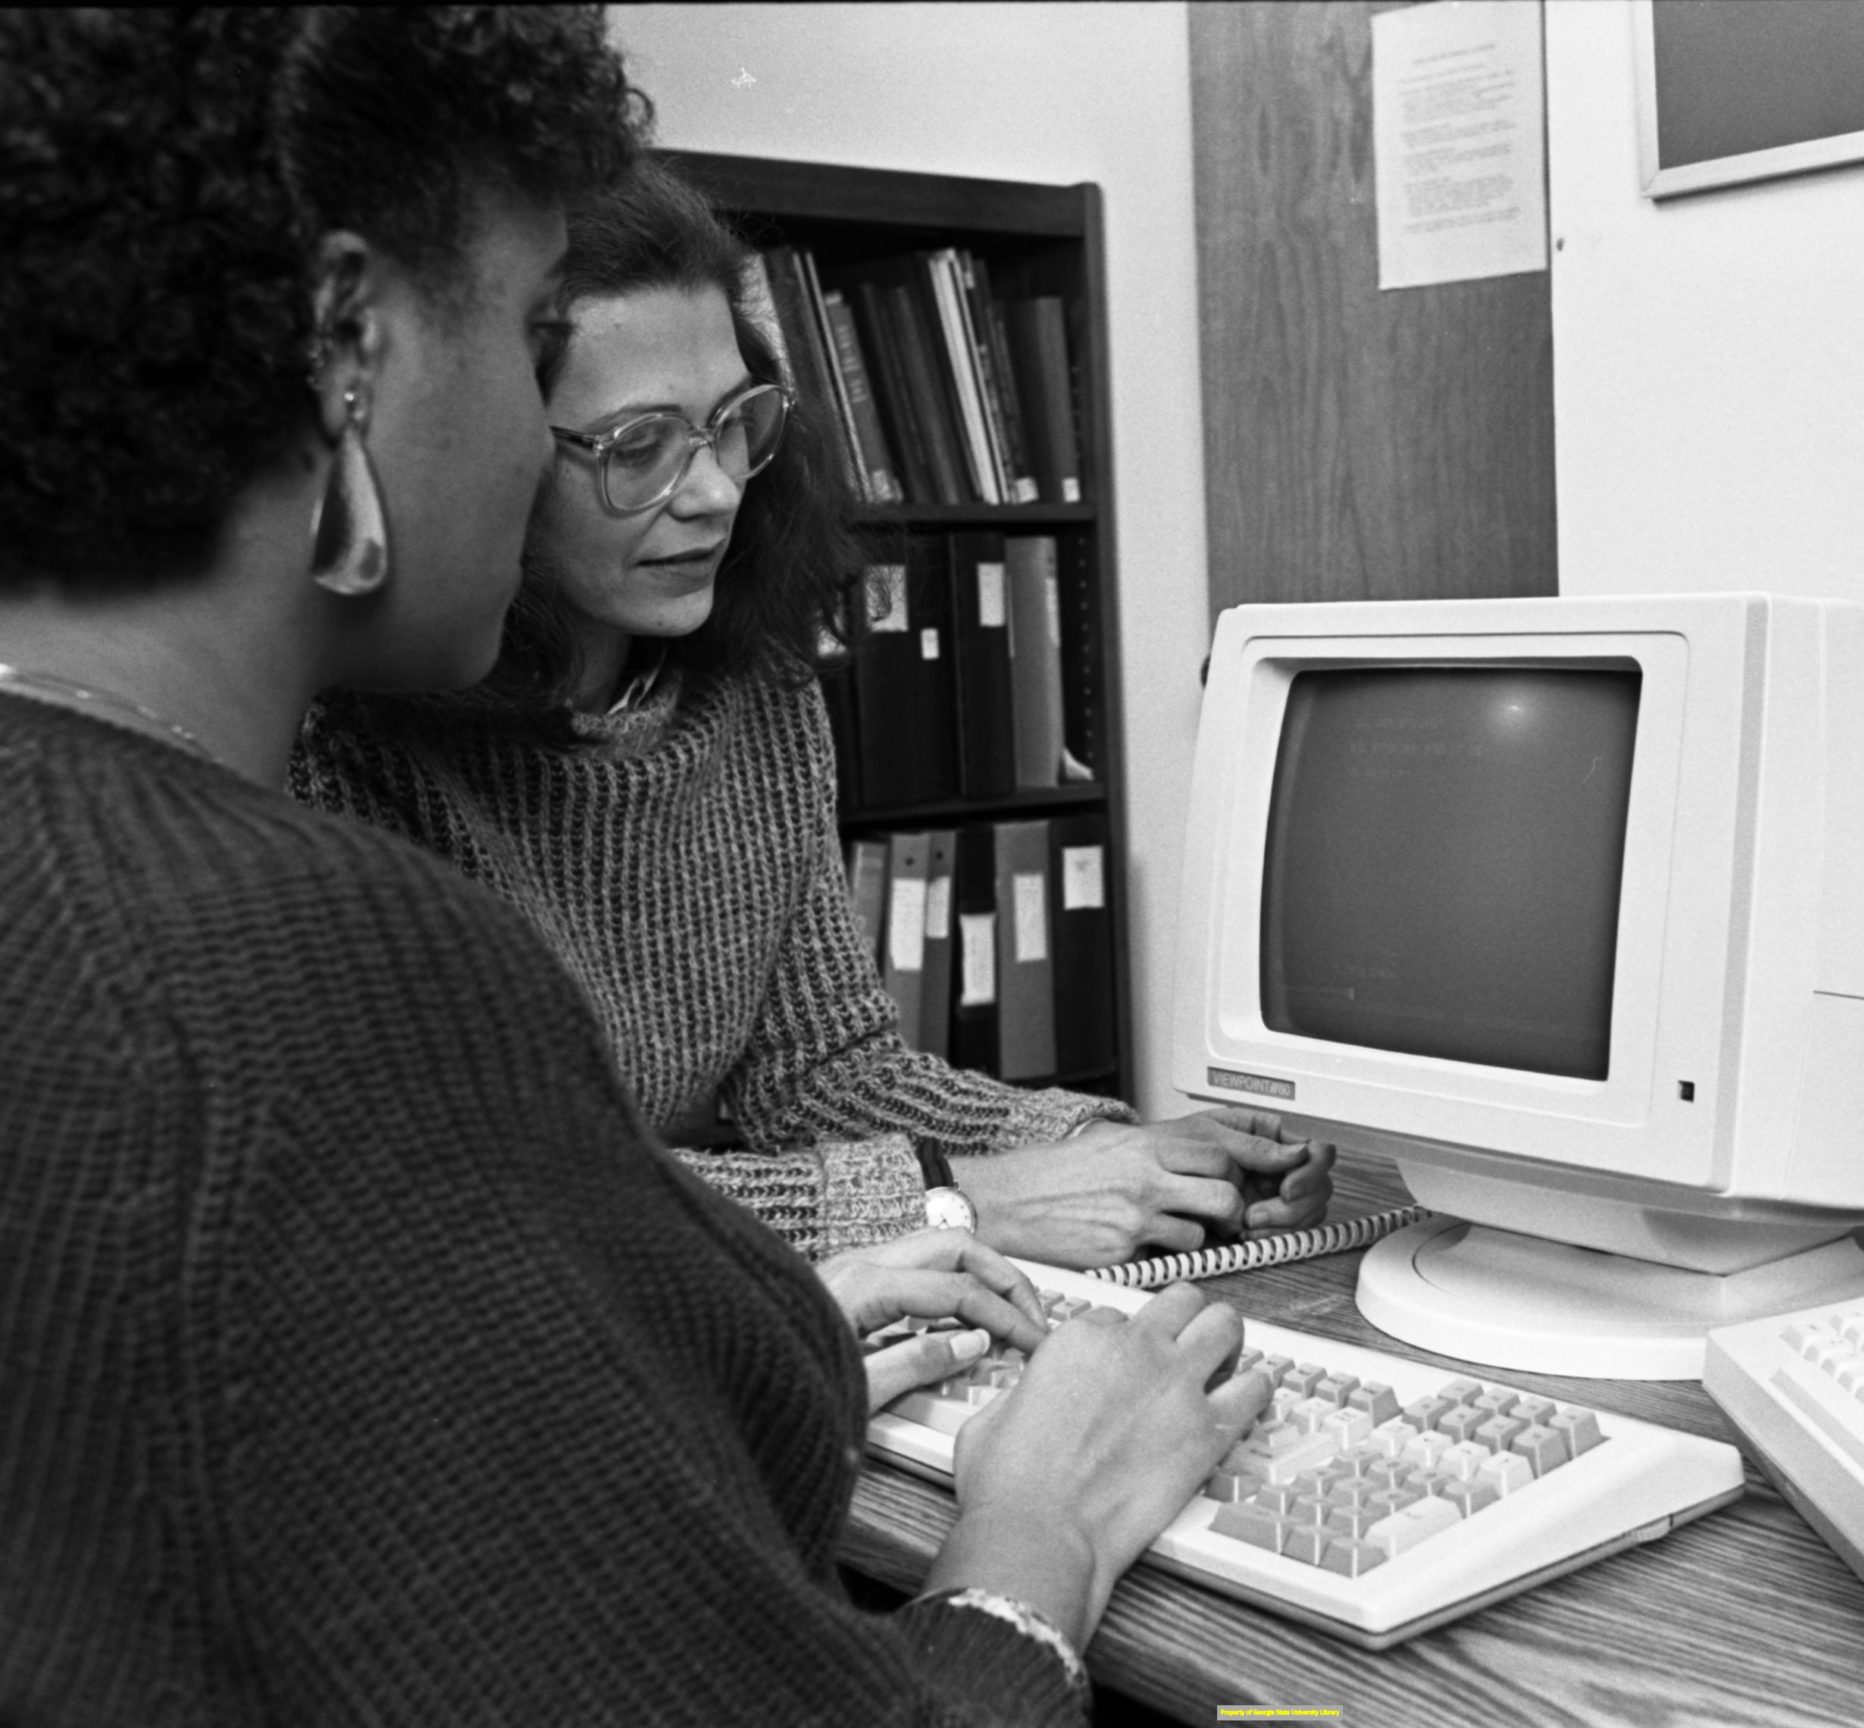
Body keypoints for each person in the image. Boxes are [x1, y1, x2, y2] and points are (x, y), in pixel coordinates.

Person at [0, 11, 1268, 1724]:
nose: (543, 449)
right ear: (347, 344)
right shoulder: (338, 958)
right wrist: (1049, 1516)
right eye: (534, 355)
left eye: (731, 424)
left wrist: (838, 1289)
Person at [291, 156, 1335, 1269]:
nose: (715, 492)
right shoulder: (337, 746)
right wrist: (958, 1203)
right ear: (483, 455)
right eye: (637, 446)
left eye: (734, 422)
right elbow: (472, 1197)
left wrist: (1119, 1154)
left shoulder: (758, 691)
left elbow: (821, 1069)